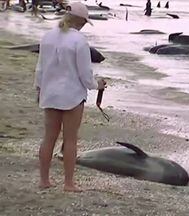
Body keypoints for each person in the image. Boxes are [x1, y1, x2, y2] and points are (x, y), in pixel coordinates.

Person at [34, 2, 106, 192]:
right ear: (81, 21)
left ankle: (44, 180)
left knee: (48, 138)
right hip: (72, 95)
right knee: (71, 139)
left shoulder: (48, 37)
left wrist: (39, 88)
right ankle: (68, 183)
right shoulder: (79, 40)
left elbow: (40, 68)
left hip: (49, 92)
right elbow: (84, 74)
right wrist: (97, 85)